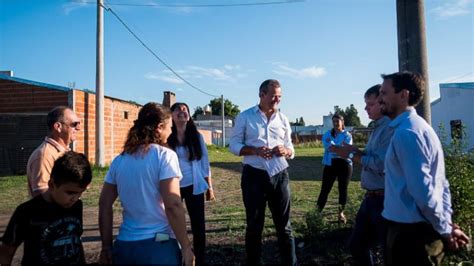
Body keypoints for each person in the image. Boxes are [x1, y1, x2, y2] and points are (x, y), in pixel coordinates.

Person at [379, 71, 470, 265]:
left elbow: (423, 191)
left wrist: (445, 229)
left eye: (384, 93)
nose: (380, 99)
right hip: (419, 232)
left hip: (411, 238)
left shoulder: (408, 133)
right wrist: (446, 223)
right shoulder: (420, 128)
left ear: (403, 95)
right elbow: (441, 185)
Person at [98, 102, 194, 265]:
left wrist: (106, 247)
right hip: (158, 246)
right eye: (169, 127)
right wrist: (186, 246)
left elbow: (104, 204)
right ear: (159, 127)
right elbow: (173, 204)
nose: (171, 131)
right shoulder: (165, 156)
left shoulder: (119, 160)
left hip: (124, 247)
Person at [229, 79, 297, 265]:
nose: (277, 100)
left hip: (280, 175)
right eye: (274, 95)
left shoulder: (282, 119)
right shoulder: (245, 117)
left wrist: (286, 151)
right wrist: (255, 150)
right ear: (261, 94)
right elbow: (233, 145)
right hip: (254, 176)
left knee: (284, 227)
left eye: (280, 96)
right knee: (254, 226)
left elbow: (291, 147)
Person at [330, 84, 392, 265]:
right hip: (371, 198)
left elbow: (381, 164)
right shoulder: (378, 127)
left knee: (388, 251)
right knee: (357, 245)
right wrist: (356, 150)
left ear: (382, 103)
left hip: (383, 198)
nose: (365, 108)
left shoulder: (389, 129)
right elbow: (373, 157)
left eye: (369, 104)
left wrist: (350, 154)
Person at [0, 151, 92, 265]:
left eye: (80, 193)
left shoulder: (77, 206)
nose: (75, 198)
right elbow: (7, 251)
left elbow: (76, 241)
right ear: (52, 184)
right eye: (70, 193)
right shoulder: (27, 211)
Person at [168, 102, 215, 265]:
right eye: (178, 110)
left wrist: (209, 186)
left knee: (198, 226)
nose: (182, 112)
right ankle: (177, 256)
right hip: (172, 187)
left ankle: (200, 259)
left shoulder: (196, 136)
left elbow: (205, 162)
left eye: (185, 110)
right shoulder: (167, 137)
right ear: (172, 116)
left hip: (194, 186)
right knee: (173, 223)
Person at [27, 106, 81, 197]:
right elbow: (41, 193)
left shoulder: (63, 152)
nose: (78, 128)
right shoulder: (44, 155)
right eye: (74, 124)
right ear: (58, 127)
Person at [316, 114, 353, 223]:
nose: (336, 123)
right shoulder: (327, 134)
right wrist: (338, 148)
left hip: (344, 164)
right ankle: (317, 213)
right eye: (334, 121)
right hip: (330, 164)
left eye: (338, 121)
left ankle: (341, 213)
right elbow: (329, 147)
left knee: (343, 189)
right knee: (325, 190)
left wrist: (334, 147)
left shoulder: (348, 135)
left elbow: (345, 150)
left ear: (342, 122)